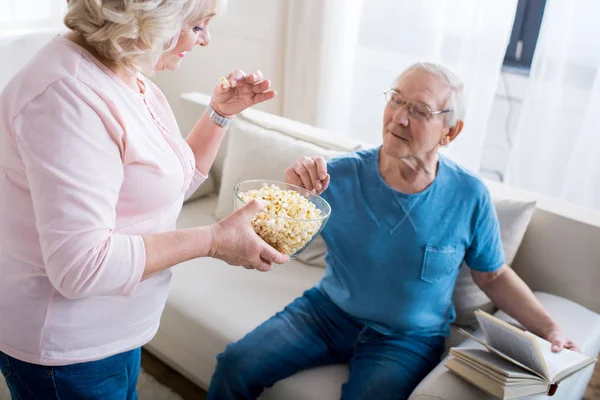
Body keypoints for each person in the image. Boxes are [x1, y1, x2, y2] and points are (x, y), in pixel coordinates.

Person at [207, 62, 579, 400]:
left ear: (451, 132)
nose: (398, 118)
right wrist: (295, 193)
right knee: (234, 366)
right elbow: (275, 244)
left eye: (418, 110)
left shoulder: (469, 195)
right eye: (396, 100)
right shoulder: (337, 176)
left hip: (408, 339)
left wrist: (550, 330)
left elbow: (494, 275)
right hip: (326, 313)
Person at [0, 0, 288, 398]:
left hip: (116, 330)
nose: (205, 41)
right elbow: (81, 267)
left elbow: (160, 193)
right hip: (67, 352)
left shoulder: (126, 76)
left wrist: (219, 114)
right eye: (198, 26)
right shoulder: (66, 98)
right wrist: (213, 240)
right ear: (151, 20)